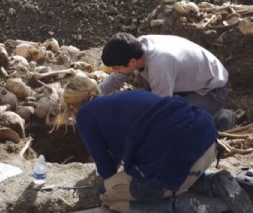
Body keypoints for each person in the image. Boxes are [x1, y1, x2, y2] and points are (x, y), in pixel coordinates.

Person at [55, 75, 253, 213]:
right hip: (207, 143)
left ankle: (178, 206)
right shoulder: (123, 99)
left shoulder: (84, 115)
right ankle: (211, 182)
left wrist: (108, 181)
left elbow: (106, 170)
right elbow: (118, 146)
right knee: (174, 169)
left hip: (180, 160)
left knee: (107, 194)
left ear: (72, 105)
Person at [98, 33, 236, 131]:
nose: (115, 71)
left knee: (173, 121)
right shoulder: (135, 47)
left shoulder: (160, 65)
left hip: (212, 91)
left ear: (132, 61)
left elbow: (162, 108)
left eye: (116, 68)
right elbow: (118, 76)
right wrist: (94, 93)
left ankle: (222, 118)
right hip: (187, 81)